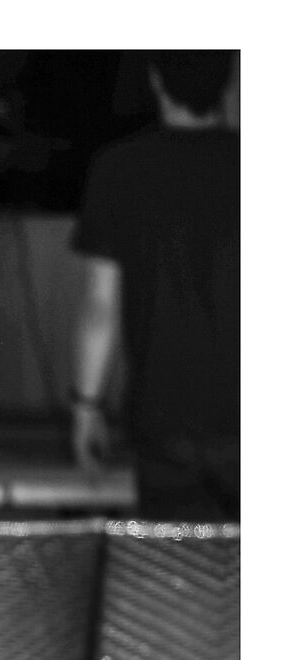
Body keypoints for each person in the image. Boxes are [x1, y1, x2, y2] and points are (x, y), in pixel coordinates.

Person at [70, 51, 239, 521]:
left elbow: (99, 308)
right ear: (227, 82)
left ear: (156, 80)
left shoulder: (120, 169)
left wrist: (87, 406)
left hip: (165, 415)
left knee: (177, 584)